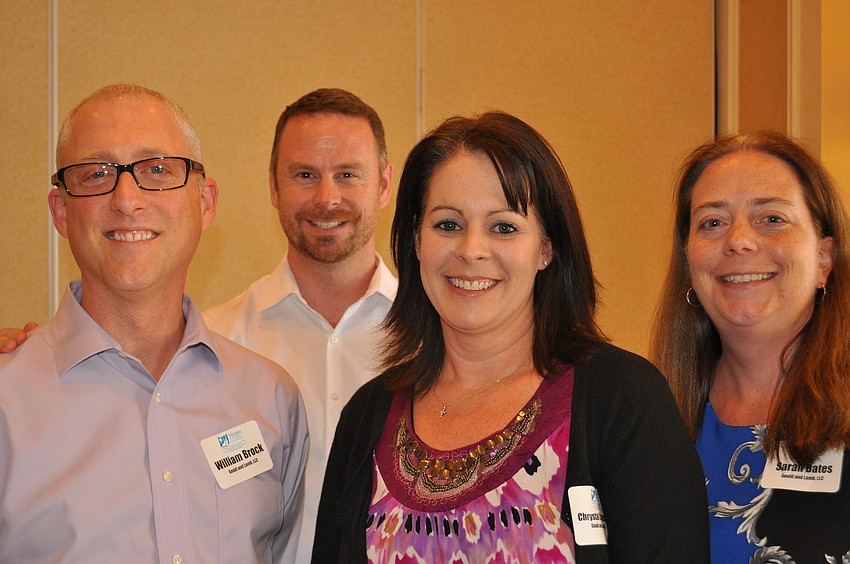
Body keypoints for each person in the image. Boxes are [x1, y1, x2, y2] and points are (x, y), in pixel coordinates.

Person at [0, 88, 396, 562]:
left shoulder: (267, 394)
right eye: (96, 174)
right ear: (61, 212)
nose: (127, 199)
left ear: (205, 203)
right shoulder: (10, 394)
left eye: (157, 170)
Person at [314, 111, 710, 562]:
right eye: (448, 225)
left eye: (504, 227)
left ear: (546, 249)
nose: (472, 250)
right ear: (416, 242)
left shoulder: (624, 401)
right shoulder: (368, 416)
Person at [202, 88, 396, 560]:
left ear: (385, 185)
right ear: (273, 186)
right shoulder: (213, 343)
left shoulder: (439, 341)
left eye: (347, 174)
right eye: (305, 175)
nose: (327, 199)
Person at [650, 130, 850, 561]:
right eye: (712, 223)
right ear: (688, 262)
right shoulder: (647, 422)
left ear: (824, 258)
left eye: (772, 219)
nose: (738, 240)